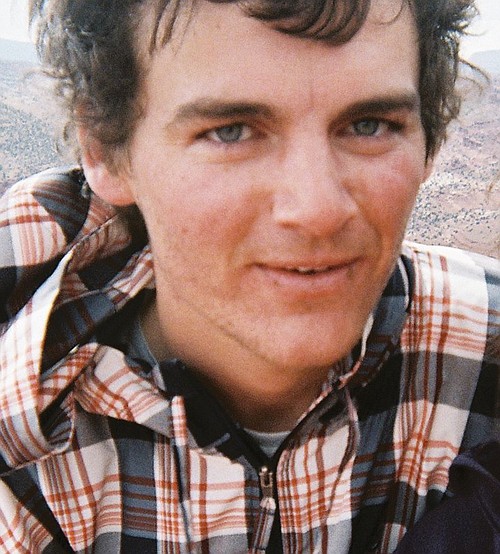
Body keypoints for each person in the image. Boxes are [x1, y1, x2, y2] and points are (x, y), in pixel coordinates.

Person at [0, 0, 498, 552]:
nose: (317, 209)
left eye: (369, 125)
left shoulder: (487, 356)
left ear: (427, 142)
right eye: (232, 132)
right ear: (104, 151)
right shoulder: (24, 448)